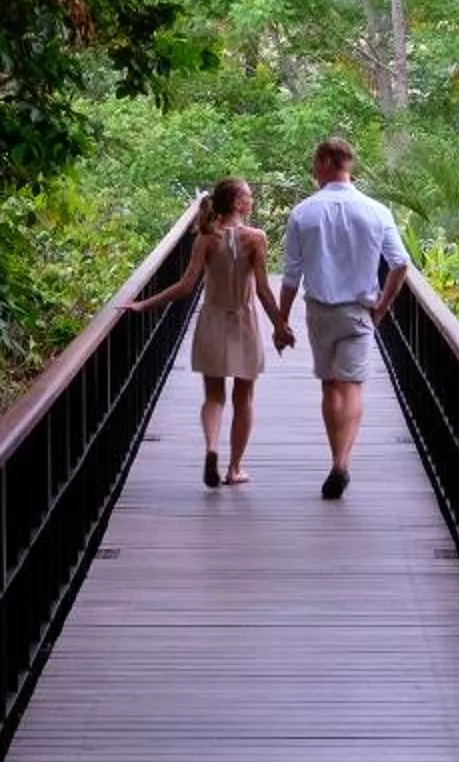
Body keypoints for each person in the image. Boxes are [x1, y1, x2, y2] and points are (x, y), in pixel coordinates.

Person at [273, 136, 411, 499]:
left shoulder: (304, 212)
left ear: (324, 162)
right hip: (358, 311)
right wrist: (382, 305)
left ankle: (336, 458)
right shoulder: (377, 211)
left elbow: (291, 275)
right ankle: (342, 462)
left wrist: (281, 321)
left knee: (330, 385)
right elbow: (400, 264)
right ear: (347, 164)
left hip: (320, 310)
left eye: (314, 163)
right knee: (352, 386)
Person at [124, 178, 286, 487]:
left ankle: (211, 447)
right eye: (248, 197)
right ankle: (234, 468)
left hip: (212, 320)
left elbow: (185, 287)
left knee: (213, 396)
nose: (252, 202)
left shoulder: (206, 238)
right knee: (244, 397)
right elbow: (264, 291)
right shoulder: (256, 238)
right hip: (244, 321)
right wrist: (279, 324)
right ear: (237, 203)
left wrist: (144, 305)